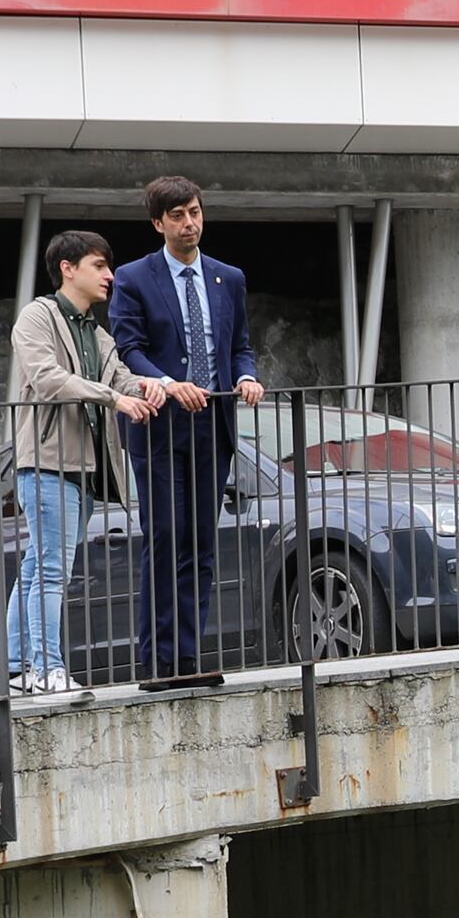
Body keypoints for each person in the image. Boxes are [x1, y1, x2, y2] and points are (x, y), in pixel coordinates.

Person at [106, 175, 260, 689]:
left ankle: (189, 659)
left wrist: (245, 376)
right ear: (158, 223)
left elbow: (238, 344)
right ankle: (158, 661)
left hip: (211, 425)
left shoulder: (228, 277)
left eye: (194, 212)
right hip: (157, 426)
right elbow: (130, 349)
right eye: (177, 215)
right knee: (165, 538)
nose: (189, 223)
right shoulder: (133, 277)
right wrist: (171, 385)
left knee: (200, 543)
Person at [4, 226, 146, 693]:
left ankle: (19, 667)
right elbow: (47, 380)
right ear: (68, 269)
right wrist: (114, 399)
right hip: (47, 464)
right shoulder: (37, 317)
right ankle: (46, 669)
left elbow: (126, 380)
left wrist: (162, 387)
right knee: (50, 571)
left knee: (35, 567)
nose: (110, 275)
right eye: (99, 265)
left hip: (85, 471)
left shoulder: (97, 333)